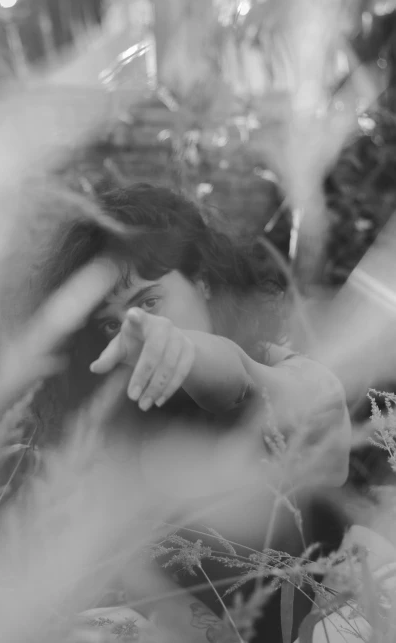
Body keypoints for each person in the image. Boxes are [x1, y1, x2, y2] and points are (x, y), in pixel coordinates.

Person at [28, 181, 352, 640]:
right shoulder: (117, 433)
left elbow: (249, 385)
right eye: (108, 323)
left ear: (202, 283)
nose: (133, 333)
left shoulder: (290, 374)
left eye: (149, 302)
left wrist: (196, 355)